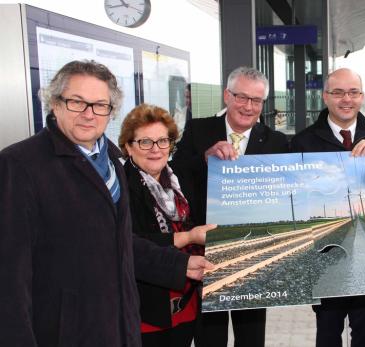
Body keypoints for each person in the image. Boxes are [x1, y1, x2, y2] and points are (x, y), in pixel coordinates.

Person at [0, 60, 212, 346]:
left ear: (110, 111)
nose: (89, 114)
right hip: (64, 333)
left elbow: (120, 243)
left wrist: (180, 265)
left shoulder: (111, 160)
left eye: (100, 105)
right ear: (55, 103)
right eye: (77, 102)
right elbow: (10, 276)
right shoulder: (21, 165)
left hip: (120, 326)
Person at [172, 66, 288, 347]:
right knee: (209, 337)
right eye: (241, 97)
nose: (248, 107)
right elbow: (174, 175)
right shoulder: (198, 130)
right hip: (206, 252)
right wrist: (205, 158)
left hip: (253, 255)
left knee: (251, 337)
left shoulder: (277, 143)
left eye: (256, 101)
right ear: (227, 95)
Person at [290, 67, 365, 347]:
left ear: (362, 96)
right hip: (326, 257)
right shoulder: (303, 141)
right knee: (327, 334)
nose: (346, 99)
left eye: (353, 92)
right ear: (325, 96)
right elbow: (295, 200)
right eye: (338, 93)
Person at [119, 104, 216, 346]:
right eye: (145, 142)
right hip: (150, 311)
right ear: (129, 146)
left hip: (188, 301)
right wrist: (189, 237)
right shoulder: (120, 188)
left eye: (163, 141)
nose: (156, 150)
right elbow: (129, 244)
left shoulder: (178, 179)